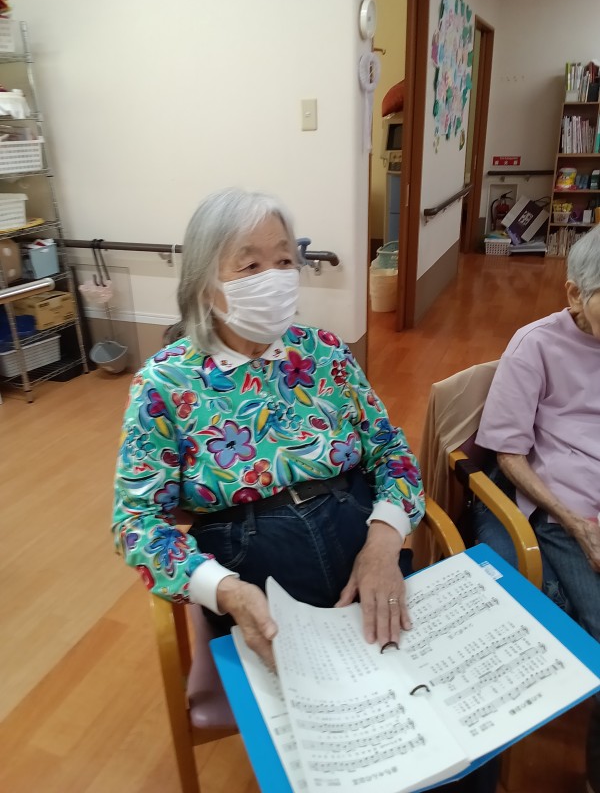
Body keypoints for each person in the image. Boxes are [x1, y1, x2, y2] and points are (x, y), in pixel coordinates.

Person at [112, 188, 425, 669]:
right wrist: (225, 590)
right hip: (248, 565)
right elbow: (137, 523)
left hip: (358, 529)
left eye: (283, 261)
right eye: (250, 266)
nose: (274, 279)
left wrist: (384, 544)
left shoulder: (323, 351)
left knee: (416, 677)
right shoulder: (164, 383)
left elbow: (390, 452)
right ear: (204, 285)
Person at [475, 225, 600, 793]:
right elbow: (507, 453)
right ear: (574, 293)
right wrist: (575, 522)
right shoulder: (536, 345)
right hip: (568, 510)